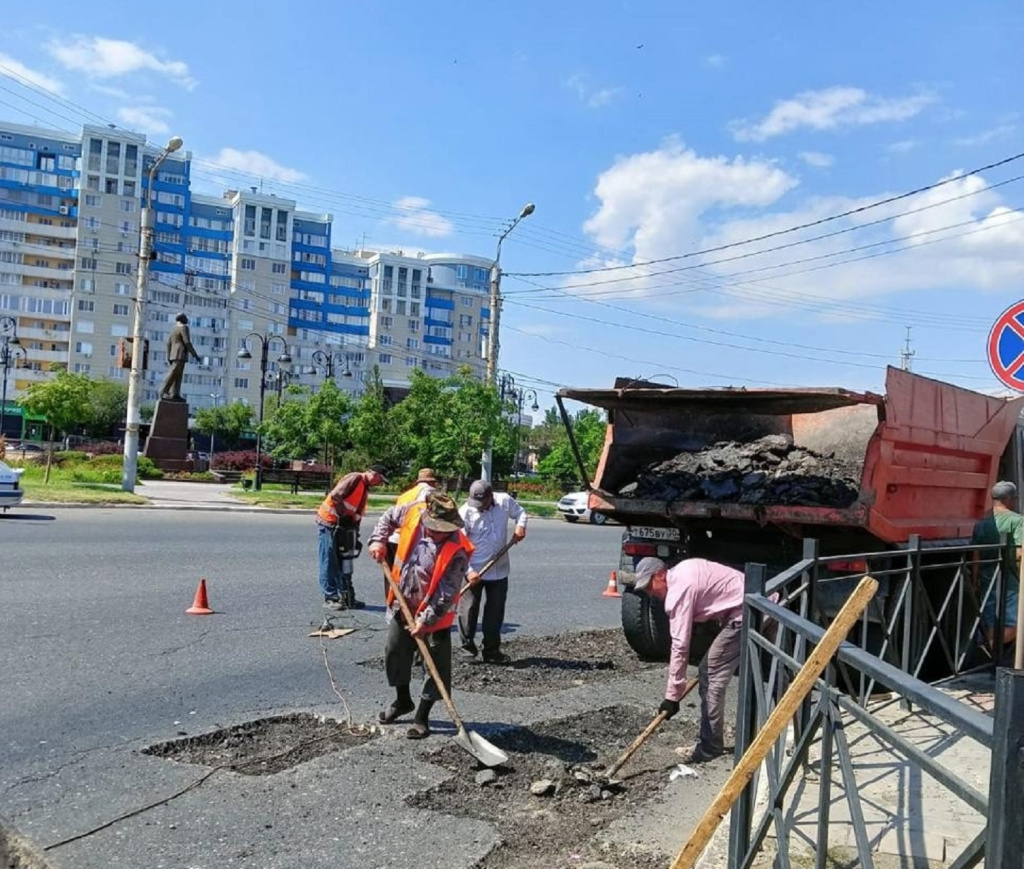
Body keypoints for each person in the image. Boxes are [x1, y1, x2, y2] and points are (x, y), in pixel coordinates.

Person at [368, 492, 472, 739]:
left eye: (443, 530)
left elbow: (446, 593)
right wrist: (378, 540)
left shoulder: (458, 548)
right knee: (394, 651)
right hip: (402, 602)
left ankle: (422, 716)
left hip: (435, 613)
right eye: (435, 528)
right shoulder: (412, 513)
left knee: (434, 665)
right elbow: (387, 517)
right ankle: (403, 701)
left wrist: (425, 621)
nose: (438, 533)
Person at [634, 556, 745, 764]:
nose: (651, 594)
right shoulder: (684, 569)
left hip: (744, 613)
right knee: (773, 669)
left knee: (710, 675)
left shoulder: (678, 593)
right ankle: (792, 726)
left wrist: (672, 697)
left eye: (650, 586)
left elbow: (679, 646)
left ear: (660, 574)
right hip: (760, 601)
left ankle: (709, 747)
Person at [457, 480, 527, 663]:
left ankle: (491, 651)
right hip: (473, 570)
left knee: (495, 611)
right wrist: (470, 571)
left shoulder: (504, 501)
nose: (479, 507)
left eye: (482, 503)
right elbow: (459, 548)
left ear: (490, 497)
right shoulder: (464, 513)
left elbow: (521, 513)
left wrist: (520, 526)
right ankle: (467, 650)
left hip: (499, 569)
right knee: (468, 610)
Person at [315, 466, 388, 610]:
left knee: (345, 561)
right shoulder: (355, 478)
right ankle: (330, 597)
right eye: (380, 479)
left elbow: (356, 513)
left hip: (343, 526)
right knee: (329, 561)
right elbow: (336, 496)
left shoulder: (364, 487)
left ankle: (347, 596)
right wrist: (344, 516)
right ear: (374, 474)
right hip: (330, 523)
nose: (380, 483)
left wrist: (355, 532)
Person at [971, 480, 1022, 653]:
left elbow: (975, 555)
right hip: (1011, 582)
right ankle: (988, 647)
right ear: (1010, 499)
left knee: (992, 623)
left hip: (987, 580)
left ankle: (991, 653)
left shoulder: (981, 524)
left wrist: (975, 579)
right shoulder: (1017, 521)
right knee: (1017, 625)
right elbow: (1019, 554)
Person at [160, 313, 201, 401]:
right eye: (186, 318)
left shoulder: (173, 329)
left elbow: (168, 343)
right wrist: (195, 355)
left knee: (178, 375)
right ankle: (163, 391)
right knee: (173, 374)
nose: (187, 319)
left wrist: (169, 356)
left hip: (174, 355)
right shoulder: (184, 327)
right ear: (183, 318)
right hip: (180, 354)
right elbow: (187, 342)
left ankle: (175, 394)